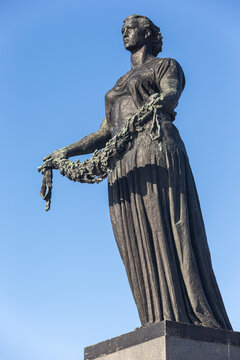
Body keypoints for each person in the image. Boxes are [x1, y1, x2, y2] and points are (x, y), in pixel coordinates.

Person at [42, 15, 232, 330]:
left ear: (147, 33)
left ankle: (185, 316)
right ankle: (154, 318)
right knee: (133, 240)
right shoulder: (117, 84)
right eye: (122, 29)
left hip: (153, 146)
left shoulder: (165, 65)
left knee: (165, 229)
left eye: (131, 28)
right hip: (120, 162)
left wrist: (151, 108)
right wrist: (64, 152)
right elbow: (104, 132)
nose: (125, 33)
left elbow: (170, 94)